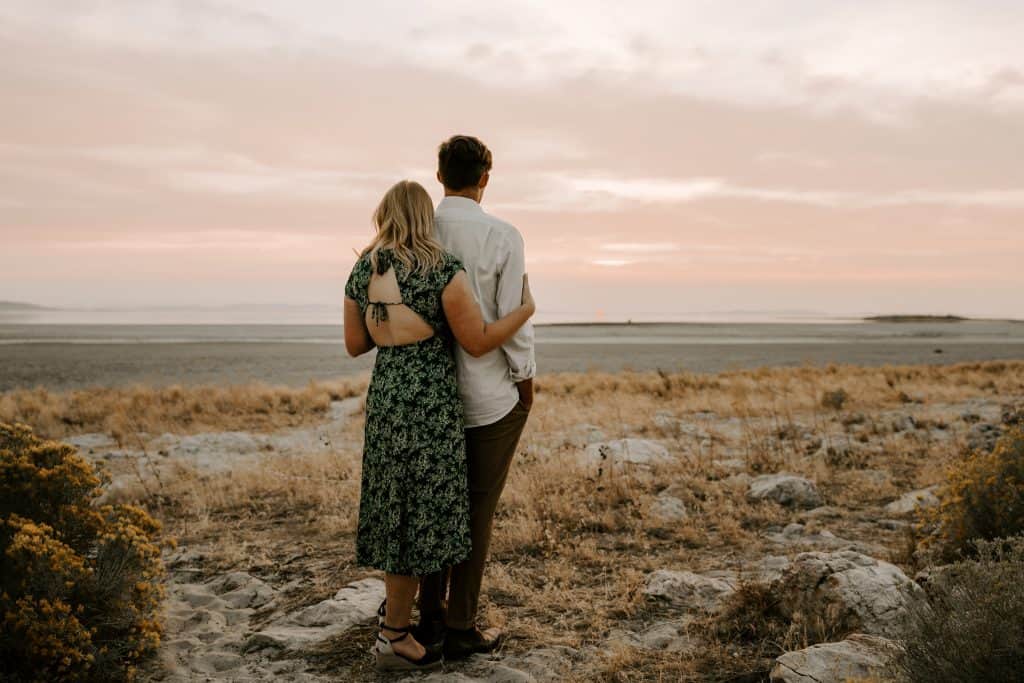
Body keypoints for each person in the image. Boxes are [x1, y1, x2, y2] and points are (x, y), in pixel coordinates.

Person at [344, 179, 535, 671]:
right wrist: (525, 311)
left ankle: (407, 622)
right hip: (429, 402)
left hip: (386, 397)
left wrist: (394, 323)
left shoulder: (363, 268)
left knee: (395, 507)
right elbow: (478, 340)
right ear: (424, 217)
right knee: (426, 509)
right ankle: (404, 632)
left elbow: (355, 344)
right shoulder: (442, 269)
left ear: (384, 214)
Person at [417, 135, 536, 660]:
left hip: (426, 396)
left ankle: (426, 619)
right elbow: (513, 317)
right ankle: (462, 624)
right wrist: (525, 381)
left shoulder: (416, 233)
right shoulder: (503, 235)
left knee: (431, 506)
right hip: (489, 396)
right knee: (477, 510)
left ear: (439, 175)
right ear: (484, 178)